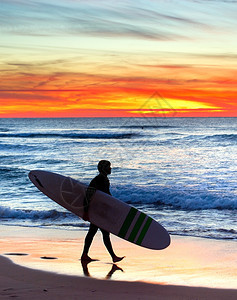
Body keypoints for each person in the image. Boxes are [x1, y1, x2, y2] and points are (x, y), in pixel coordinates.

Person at [81, 160, 125, 263]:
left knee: (93, 232)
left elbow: (106, 195)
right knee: (103, 233)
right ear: (104, 168)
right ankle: (113, 256)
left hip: (99, 210)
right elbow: (88, 194)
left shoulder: (103, 179)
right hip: (98, 211)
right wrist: (86, 212)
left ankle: (85, 254)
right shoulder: (100, 179)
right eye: (109, 167)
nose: (110, 168)